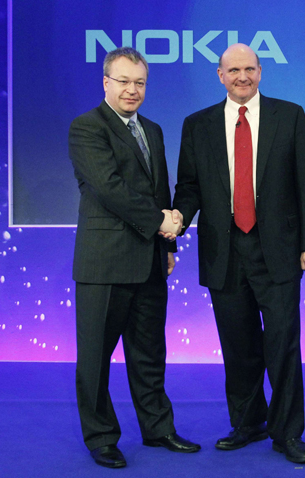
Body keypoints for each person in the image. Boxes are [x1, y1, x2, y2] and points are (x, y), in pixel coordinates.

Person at [173, 43, 305, 464]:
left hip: (277, 249)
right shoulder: (197, 124)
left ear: (260, 72)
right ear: (220, 76)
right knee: (238, 345)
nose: (242, 77)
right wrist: (176, 223)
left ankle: (287, 433)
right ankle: (247, 422)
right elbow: (189, 186)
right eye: (234, 70)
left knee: (282, 345)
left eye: (250, 69)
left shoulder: (289, 115)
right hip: (223, 251)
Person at [68, 47, 200, 468]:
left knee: (149, 354)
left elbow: (160, 191)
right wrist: (162, 222)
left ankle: (159, 429)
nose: (132, 89)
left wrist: (169, 245)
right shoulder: (87, 127)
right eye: (123, 81)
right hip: (105, 263)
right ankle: (102, 437)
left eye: (139, 82)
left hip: (150, 261)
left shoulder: (153, 130)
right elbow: (109, 189)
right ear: (106, 82)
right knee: (95, 357)